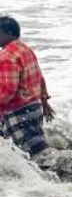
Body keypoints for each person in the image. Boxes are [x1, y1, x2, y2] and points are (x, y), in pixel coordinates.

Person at [0, 16, 53, 156]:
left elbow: (6, 92)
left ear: (9, 34)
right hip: (34, 108)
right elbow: (39, 76)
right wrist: (44, 100)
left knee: (35, 156)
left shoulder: (7, 56)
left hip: (18, 112)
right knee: (37, 151)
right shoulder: (25, 50)